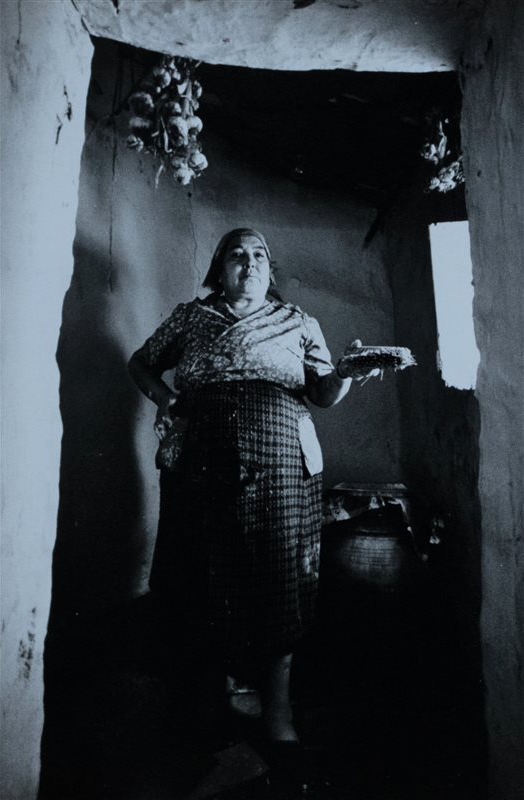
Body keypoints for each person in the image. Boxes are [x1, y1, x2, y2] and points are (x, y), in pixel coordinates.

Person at [128, 228, 376, 748]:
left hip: (283, 463)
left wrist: (347, 372)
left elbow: (323, 393)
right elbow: (141, 363)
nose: (250, 261)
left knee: (280, 576)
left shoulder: (297, 321)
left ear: (271, 269)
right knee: (203, 571)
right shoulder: (191, 317)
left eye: (260, 254)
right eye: (236, 254)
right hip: (201, 462)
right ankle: (208, 701)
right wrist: (164, 398)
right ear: (218, 269)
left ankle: (276, 709)